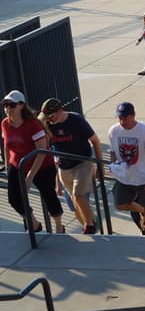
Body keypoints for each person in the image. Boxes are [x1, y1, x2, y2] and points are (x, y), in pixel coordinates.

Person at [3, 90, 65, 233]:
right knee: (14, 198)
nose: (8, 109)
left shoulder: (33, 125)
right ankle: (34, 223)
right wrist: (7, 166)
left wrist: (30, 176)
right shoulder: (5, 124)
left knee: (48, 193)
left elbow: (41, 151)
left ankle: (58, 225)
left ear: (21, 106)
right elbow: (7, 145)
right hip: (17, 163)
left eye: (12, 105)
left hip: (41, 165)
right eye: (5, 105)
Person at [39, 97, 103, 234]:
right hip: (64, 166)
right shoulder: (48, 126)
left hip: (82, 161)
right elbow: (51, 151)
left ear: (60, 110)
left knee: (78, 194)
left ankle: (90, 226)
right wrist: (57, 180)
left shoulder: (76, 121)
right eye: (46, 117)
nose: (49, 120)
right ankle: (90, 221)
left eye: (51, 116)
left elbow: (95, 142)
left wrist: (100, 166)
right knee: (75, 204)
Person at [107, 101, 145, 235]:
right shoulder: (114, 130)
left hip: (143, 176)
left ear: (133, 115)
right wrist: (114, 165)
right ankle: (142, 211)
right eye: (120, 118)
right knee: (120, 203)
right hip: (125, 177)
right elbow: (113, 151)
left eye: (125, 117)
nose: (122, 121)